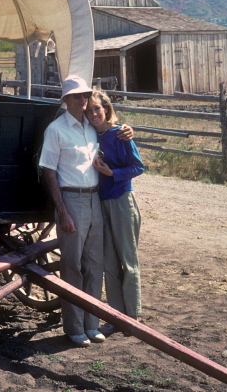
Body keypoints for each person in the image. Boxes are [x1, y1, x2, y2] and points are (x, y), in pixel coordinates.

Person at [39, 76, 132, 346]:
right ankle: (74, 327)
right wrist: (63, 211)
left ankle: (92, 324)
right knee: (73, 266)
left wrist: (128, 130)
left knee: (95, 265)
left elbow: (113, 130)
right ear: (65, 100)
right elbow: (49, 170)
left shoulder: (91, 128)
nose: (83, 100)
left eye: (86, 95)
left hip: (95, 199)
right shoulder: (56, 130)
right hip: (72, 199)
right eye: (77, 96)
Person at [86, 88, 144, 335]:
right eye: (88, 111)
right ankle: (115, 316)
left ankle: (132, 316)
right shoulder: (88, 134)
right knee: (109, 261)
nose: (93, 114)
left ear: (106, 108)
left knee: (127, 261)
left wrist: (113, 174)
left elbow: (138, 167)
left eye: (97, 108)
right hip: (101, 202)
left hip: (121, 201)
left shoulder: (120, 134)